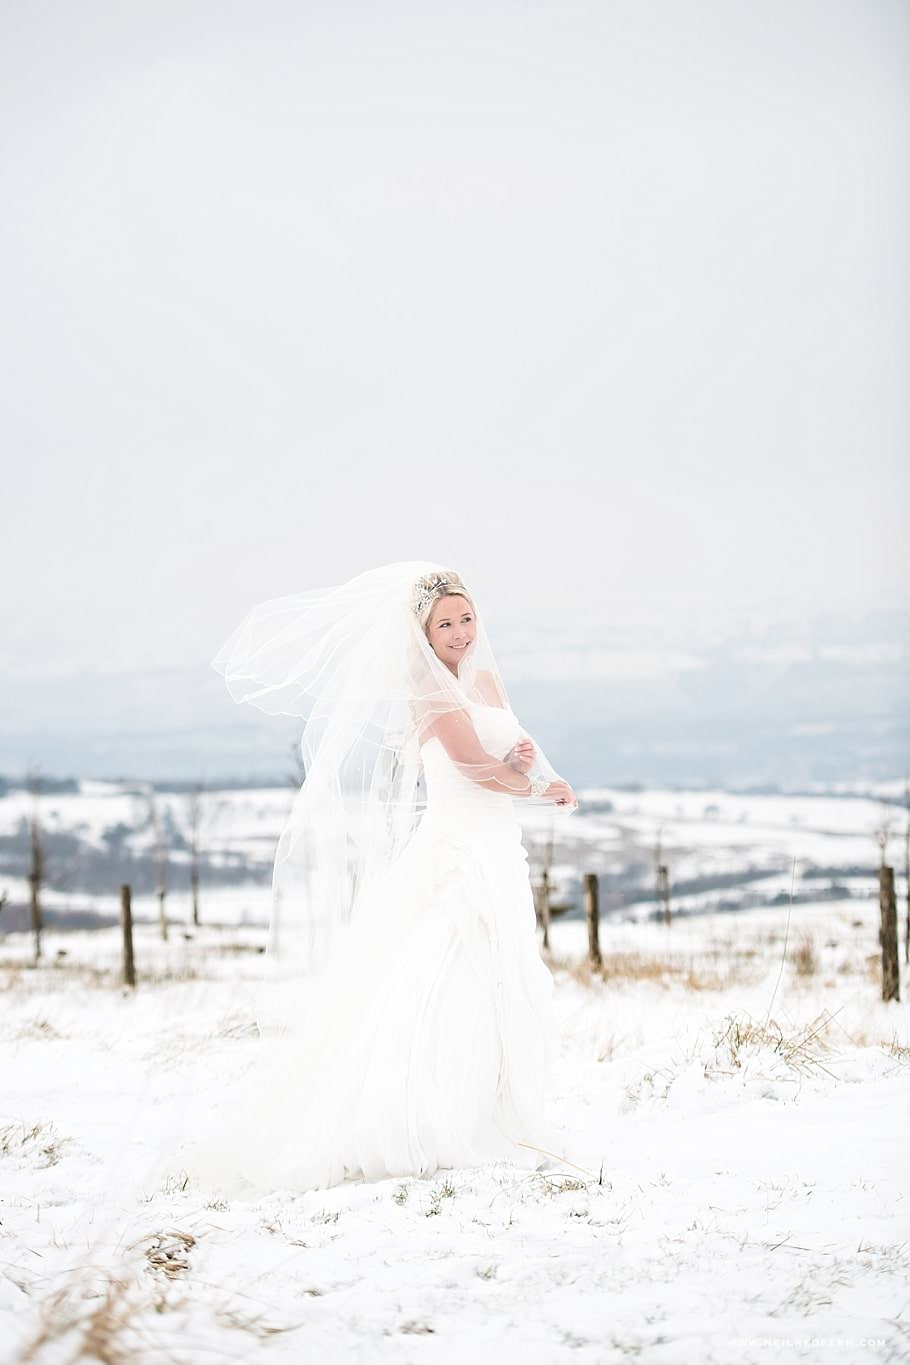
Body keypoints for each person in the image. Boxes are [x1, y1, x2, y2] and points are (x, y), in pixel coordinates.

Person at [179, 561, 577, 1195]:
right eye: (444, 622)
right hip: (457, 842)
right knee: (446, 969)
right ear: (422, 631)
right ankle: (422, 1114)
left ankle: (484, 1111)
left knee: (497, 971)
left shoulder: (487, 680)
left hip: (497, 842)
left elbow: (510, 748)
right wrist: (524, 782)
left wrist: (538, 771)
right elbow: (474, 769)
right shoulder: (426, 690)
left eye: (467, 617)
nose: (460, 631)